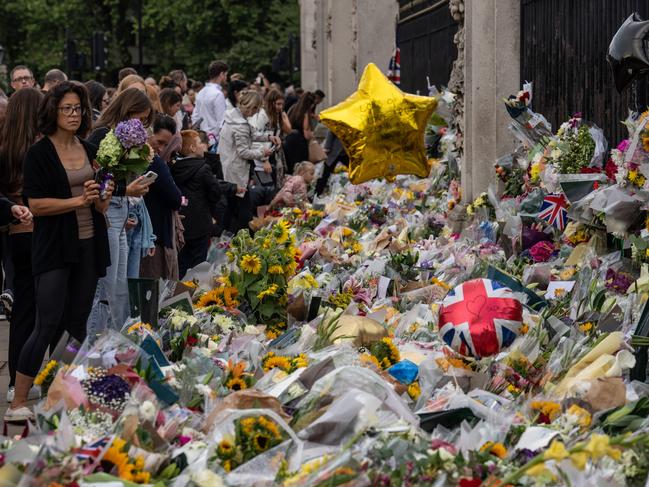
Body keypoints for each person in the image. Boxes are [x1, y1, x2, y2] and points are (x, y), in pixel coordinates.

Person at [6, 82, 112, 421]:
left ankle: (61, 395)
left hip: (87, 245)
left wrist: (102, 196)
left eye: (78, 108)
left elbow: (99, 207)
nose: (73, 114)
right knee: (46, 323)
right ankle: (18, 402)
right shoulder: (39, 153)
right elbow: (36, 204)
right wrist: (77, 200)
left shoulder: (87, 148)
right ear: (52, 111)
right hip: (53, 247)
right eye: (66, 108)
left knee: (77, 324)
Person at [86, 89, 154, 338]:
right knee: (107, 287)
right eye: (140, 117)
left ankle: (115, 342)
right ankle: (93, 345)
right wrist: (127, 189)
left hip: (122, 210)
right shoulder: (103, 134)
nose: (141, 124)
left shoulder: (121, 134)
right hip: (110, 211)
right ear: (127, 110)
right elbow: (97, 179)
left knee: (120, 287)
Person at [0, 87, 43, 402]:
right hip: (44, 232)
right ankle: (46, 372)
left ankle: (17, 379)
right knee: (52, 310)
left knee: (24, 313)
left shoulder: (5, 150)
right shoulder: (42, 150)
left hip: (17, 236)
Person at [218, 90, 279, 232]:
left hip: (228, 166)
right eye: (256, 109)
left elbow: (252, 133)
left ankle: (226, 237)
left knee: (233, 207)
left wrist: (269, 137)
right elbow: (244, 152)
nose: (256, 112)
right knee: (241, 210)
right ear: (252, 107)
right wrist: (262, 153)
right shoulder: (241, 125)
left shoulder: (235, 118)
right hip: (235, 170)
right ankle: (237, 238)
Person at [171, 130, 227, 277]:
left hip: (182, 223)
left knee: (182, 262)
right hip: (200, 223)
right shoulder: (203, 168)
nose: (204, 146)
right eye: (200, 143)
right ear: (192, 149)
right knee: (198, 264)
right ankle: (197, 294)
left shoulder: (174, 168)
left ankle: (179, 292)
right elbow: (215, 192)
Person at [140, 115, 183, 280]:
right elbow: (175, 199)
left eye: (166, 144)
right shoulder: (154, 162)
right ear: (149, 133)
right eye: (159, 142)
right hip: (153, 236)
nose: (161, 148)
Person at [249, 89, 291, 188]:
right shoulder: (262, 116)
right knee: (267, 189)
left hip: (273, 156)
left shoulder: (276, 115)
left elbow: (286, 130)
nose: (280, 107)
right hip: (261, 160)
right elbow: (256, 139)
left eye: (282, 104)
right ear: (271, 103)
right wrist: (264, 160)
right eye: (278, 104)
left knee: (274, 188)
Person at [192, 60, 229, 148]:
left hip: (201, 140)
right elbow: (222, 122)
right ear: (221, 74)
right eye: (226, 75)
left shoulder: (201, 92)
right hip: (215, 141)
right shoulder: (218, 94)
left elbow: (195, 118)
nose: (226, 78)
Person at [284, 92, 317, 174]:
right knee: (301, 169)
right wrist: (312, 135)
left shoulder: (293, 109)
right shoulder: (305, 113)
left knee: (291, 168)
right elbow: (306, 134)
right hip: (300, 143)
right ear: (310, 104)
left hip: (289, 140)